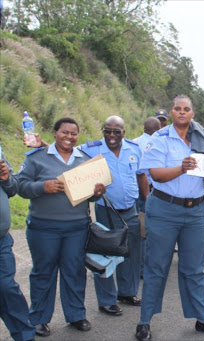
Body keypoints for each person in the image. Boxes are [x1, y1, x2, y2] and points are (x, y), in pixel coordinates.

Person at [135, 95, 204, 340]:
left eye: (187, 109)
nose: (182, 112)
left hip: (196, 211)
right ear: (172, 112)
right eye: (178, 109)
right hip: (165, 209)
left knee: (195, 268)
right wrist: (181, 167)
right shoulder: (160, 138)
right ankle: (145, 321)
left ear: (192, 113)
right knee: (156, 267)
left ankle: (202, 318)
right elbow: (155, 174)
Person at [17, 117, 106, 336]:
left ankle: (76, 315)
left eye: (73, 133)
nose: (69, 137)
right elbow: (20, 186)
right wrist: (42, 187)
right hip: (43, 228)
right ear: (55, 132)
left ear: (78, 136)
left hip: (76, 228)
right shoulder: (36, 158)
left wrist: (96, 193)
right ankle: (39, 318)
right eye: (64, 132)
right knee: (43, 272)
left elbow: (90, 198)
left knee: (74, 272)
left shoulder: (85, 160)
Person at [80, 116, 149, 317]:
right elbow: (65, 152)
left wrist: (149, 202)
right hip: (105, 210)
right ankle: (107, 300)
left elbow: (141, 176)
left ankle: (127, 292)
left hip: (130, 209)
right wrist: (42, 144)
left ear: (123, 132)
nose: (111, 135)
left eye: (116, 131)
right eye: (107, 130)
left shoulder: (134, 149)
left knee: (131, 252)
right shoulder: (91, 149)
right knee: (104, 254)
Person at [0, 151, 36, 341]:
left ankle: (25, 336)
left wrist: (6, 178)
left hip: (1, 239)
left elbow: (12, 188)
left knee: (6, 287)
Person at [133, 117, 162, 278]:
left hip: (134, 191)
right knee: (147, 230)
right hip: (149, 190)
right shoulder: (158, 143)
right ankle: (143, 268)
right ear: (157, 129)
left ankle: (134, 263)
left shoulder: (133, 142)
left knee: (136, 228)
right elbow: (144, 174)